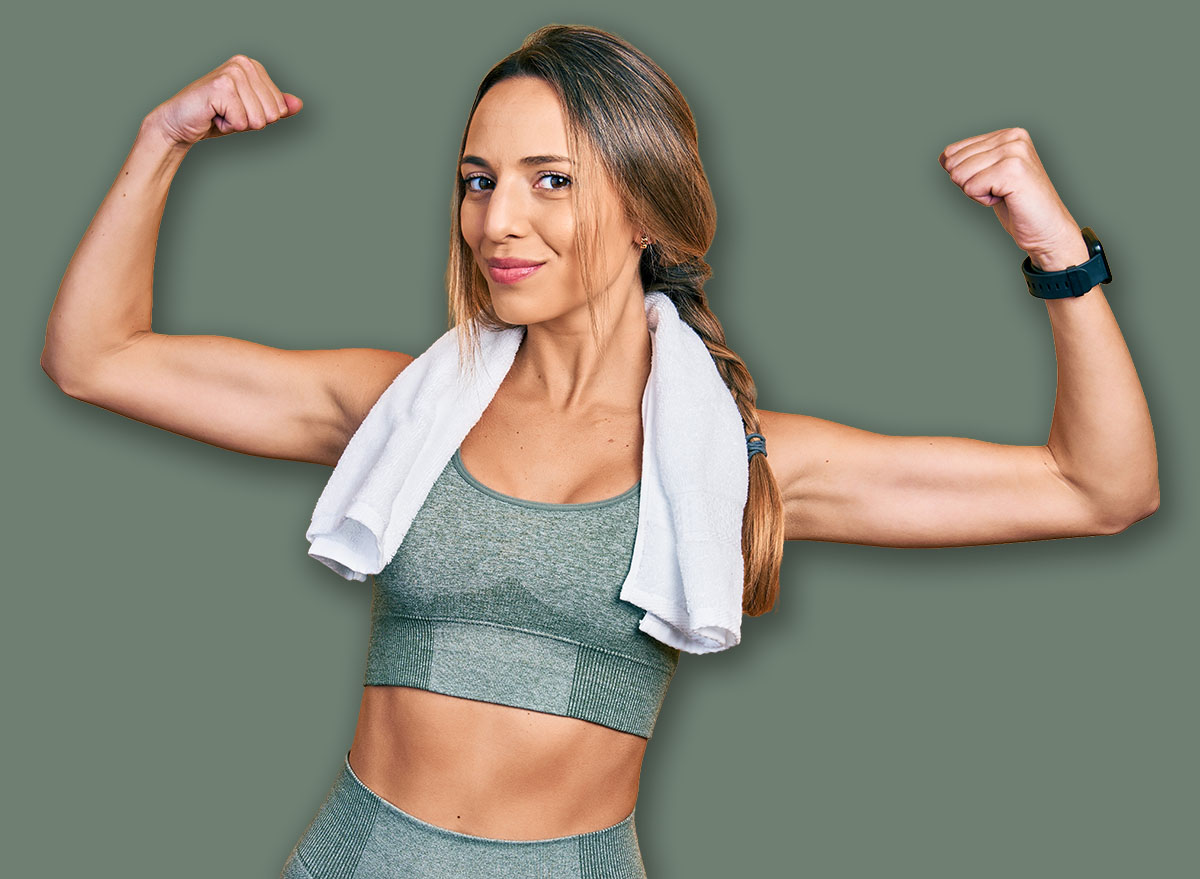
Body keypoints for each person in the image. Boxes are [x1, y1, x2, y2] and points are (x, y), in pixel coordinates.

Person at [40, 23, 1158, 879]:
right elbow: (96, 357)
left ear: (643, 212)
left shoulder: (742, 460)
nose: (496, 223)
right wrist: (162, 141)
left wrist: (1056, 250)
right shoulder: (399, 412)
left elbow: (1099, 488)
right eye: (479, 181)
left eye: (550, 180)